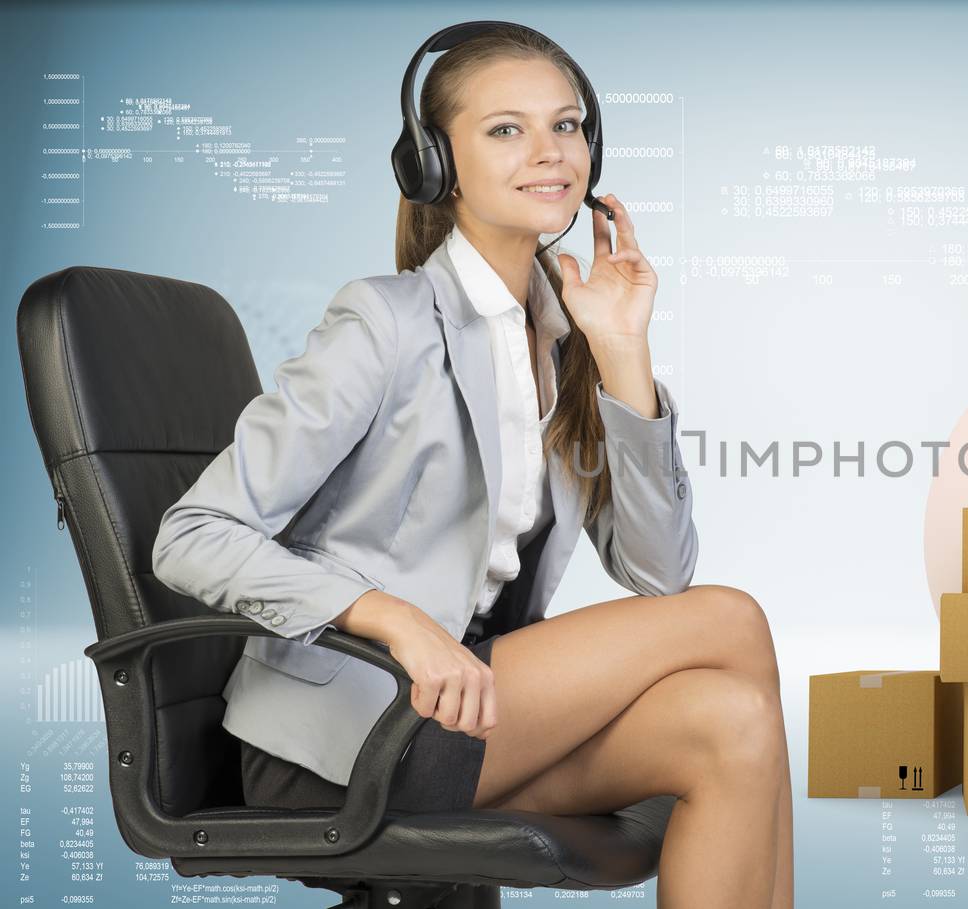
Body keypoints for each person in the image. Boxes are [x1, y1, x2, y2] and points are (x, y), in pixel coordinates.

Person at [150, 24, 792, 908]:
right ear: (434, 163)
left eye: (567, 126)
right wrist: (395, 621)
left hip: (472, 711)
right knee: (730, 619)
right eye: (506, 129)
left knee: (737, 723)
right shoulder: (385, 322)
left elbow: (657, 572)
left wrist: (625, 354)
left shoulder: (568, 337)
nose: (549, 153)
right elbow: (191, 535)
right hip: (349, 731)